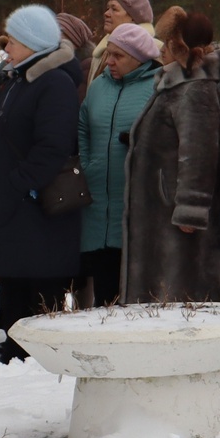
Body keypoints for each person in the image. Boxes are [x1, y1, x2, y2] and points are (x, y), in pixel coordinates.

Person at [0, 4, 86, 358]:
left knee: (39, 278)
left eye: (13, 40)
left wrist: (17, 183)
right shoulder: (19, 79)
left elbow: (54, 145)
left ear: (33, 43)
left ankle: (39, 350)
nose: (5, 46)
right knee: (14, 276)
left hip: (35, 203)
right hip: (12, 202)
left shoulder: (53, 83)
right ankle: (16, 342)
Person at [122, 8, 220, 303]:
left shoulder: (195, 89)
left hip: (174, 212)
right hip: (160, 207)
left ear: (179, 46)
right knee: (160, 290)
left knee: (180, 290)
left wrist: (190, 207)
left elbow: (199, 151)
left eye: (167, 42)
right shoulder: (175, 83)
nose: (161, 48)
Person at [78, 22, 162, 306]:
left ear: (139, 58)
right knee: (104, 287)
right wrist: (89, 163)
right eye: (108, 54)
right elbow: (83, 127)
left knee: (137, 290)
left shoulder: (157, 85)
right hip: (98, 203)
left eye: (118, 55)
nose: (109, 61)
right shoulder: (100, 86)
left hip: (136, 203)